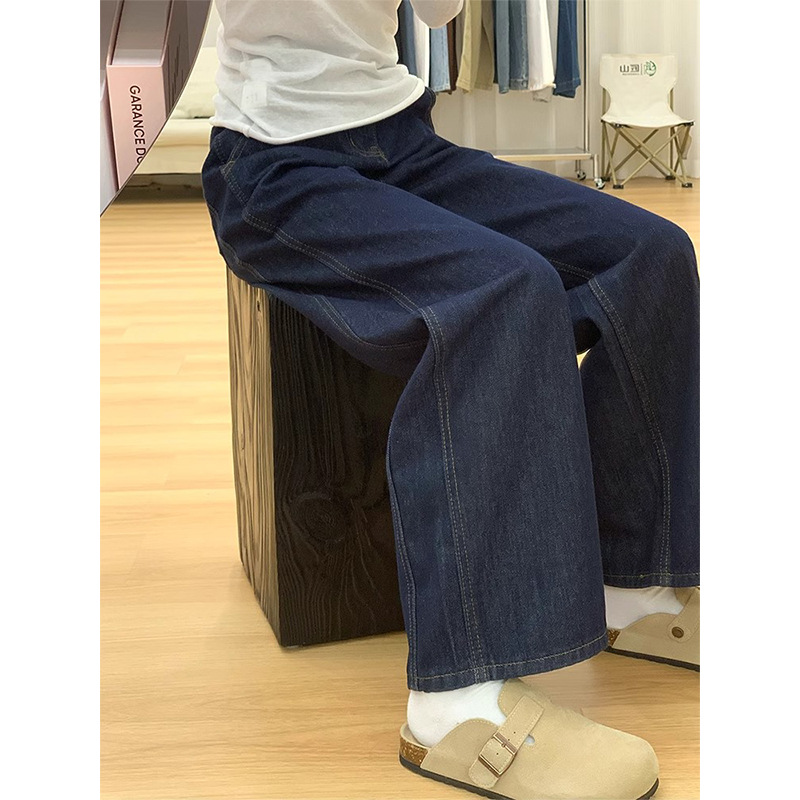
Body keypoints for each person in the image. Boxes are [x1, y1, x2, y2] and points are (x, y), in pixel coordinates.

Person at [200, 2, 699, 798]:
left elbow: (436, 11)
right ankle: (454, 702)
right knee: (505, 291)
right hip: (275, 164)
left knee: (650, 254)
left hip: (403, 139)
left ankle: (635, 586)